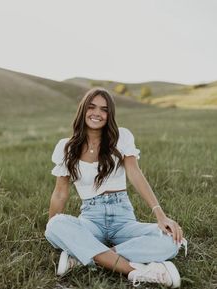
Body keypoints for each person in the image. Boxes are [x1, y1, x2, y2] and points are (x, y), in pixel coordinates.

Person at [45, 87, 187, 288]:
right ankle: (142, 271)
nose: (97, 113)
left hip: (123, 219)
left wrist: (160, 215)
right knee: (55, 225)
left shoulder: (121, 137)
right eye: (91, 107)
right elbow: (60, 193)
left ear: (109, 114)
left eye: (104, 109)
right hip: (90, 220)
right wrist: (55, 230)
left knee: (173, 240)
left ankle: (82, 257)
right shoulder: (65, 146)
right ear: (83, 110)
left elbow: (135, 174)